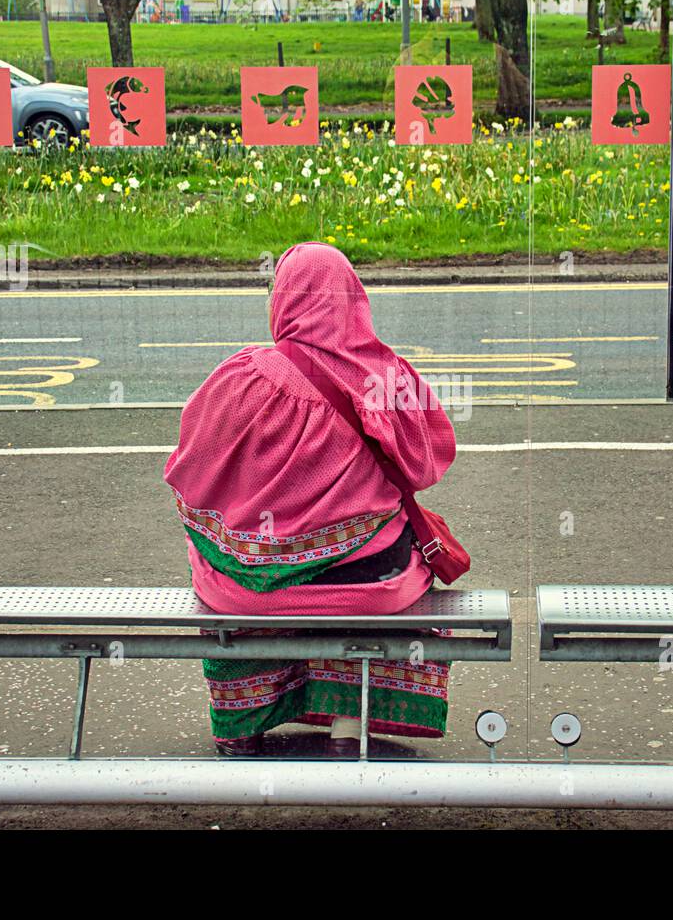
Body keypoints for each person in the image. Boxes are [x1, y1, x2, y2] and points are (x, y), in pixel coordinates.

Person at [164, 242, 458, 757]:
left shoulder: (243, 375)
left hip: (249, 591)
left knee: (221, 569)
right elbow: (425, 466)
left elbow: (189, 465)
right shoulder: (388, 379)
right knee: (398, 559)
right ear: (354, 298)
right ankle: (348, 724)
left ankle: (241, 727)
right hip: (370, 584)